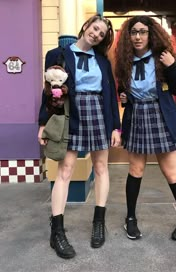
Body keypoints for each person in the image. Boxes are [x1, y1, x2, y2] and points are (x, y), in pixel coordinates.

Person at [38, 14, 121, 259]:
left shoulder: (103, 61)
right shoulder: (58, 54)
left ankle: (98, 222)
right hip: (71, 114)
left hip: (98, 113)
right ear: (86, 26)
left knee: (101, 167)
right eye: (95, 28)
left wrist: (115, 127)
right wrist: (43, 123)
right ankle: (57, 231)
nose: (96, 34)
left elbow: (110, 94)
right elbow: (48, 91)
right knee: (65, 170)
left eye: (101, 34)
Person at [114, 16, 176, 242]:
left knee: (171, 173)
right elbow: (124, 91)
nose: (138, 36)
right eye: (133, 32)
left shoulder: (163, 58)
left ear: (151, 34)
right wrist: (124, 97)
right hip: (137, 116)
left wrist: (172, 66)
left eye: (143, 32)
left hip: (161, 117)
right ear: (128, 36)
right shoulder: (124, 61)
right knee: (135, 170)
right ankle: (130, 218)